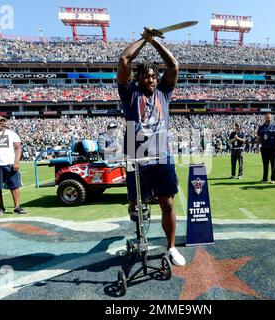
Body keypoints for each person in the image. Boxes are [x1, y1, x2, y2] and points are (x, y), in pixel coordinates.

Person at [117, 29, 185, 266]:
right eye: (146, 76)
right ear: (139, 79)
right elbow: (125, 60)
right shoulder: (130, 93)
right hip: (136, 156)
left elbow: (174, 65)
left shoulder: (164, 93)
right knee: (137, 203)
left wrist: (154, 42)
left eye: (154, 76)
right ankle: (138, 228)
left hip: (162, 156)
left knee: (168, 203)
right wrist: (143, 41)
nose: (152, 79)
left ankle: (171, 248)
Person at [256, 113, 275, 184]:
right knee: (265, 164)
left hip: (273, 148)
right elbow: (258, 137)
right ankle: (265, 179)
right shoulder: (261, 127)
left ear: (271, 118)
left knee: (273, 164)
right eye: (267, 117)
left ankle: (273, 179)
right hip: (264, 148)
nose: (268, 118)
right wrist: (257, 146)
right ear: (265, 118)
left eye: (269, 117)